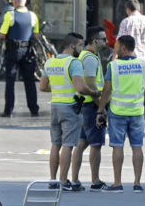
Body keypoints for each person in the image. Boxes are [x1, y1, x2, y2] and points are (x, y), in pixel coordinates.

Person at [38, 32, 100, 192]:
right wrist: (93, 92)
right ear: (72, 46)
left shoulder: (50, 62)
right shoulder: (74, 63)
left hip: (55, 106)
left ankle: (53, 179)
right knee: (68, 145)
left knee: (55, 144)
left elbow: (43, 86)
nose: (81, 48)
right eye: (80, 45)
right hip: (71, 107)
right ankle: (64, 181)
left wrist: (58, 88)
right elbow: (80, 87)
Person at [95, 35, 145, 193]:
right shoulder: (144, 65)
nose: (115, 48)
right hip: (138, 111)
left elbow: (107, 89)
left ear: (124, 48)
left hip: (117, 112)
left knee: (117, 147)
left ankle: (117, 183)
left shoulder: (114, 66)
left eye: (117, 45)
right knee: (137, 147)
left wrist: (100, 109)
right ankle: (137, 183)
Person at [70, 26, 109, 192]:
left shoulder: (88, 55)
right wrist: (100, 106)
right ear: (95, 41)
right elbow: (91, 83)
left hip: (84, 105)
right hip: (91, 105)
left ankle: (75, 179)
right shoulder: (91, 58)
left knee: (82, 143)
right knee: (96, 144)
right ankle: (95, 180)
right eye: (104, 39)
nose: (106, 42)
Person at [0, 0, 40, 117]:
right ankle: (34, 109)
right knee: (30, 81)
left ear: (15, 1)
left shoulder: (10, 15)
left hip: (13, 51)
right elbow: (36, 34)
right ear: (25, 1)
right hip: (27, 51)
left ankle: (9, 110)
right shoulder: (33, 16)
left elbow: (2, 34)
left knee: (10, 80)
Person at [117, 0, 145, 64]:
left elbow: (119, 41)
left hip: (133, 62)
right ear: (139, 9)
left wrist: (115, 55)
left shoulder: (125, 22)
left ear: (127, 10)